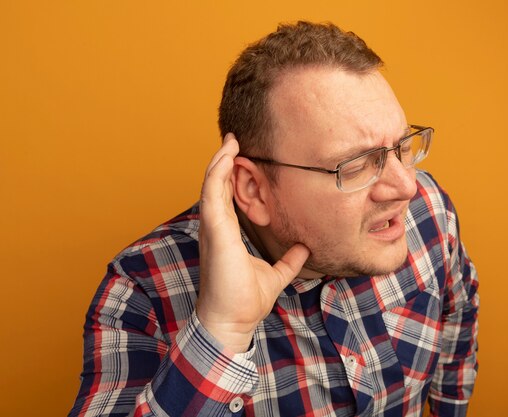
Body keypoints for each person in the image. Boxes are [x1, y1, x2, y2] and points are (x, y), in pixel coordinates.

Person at [69, 21, 479, 417]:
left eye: (402, 146)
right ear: (254, 190)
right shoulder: (141, 296)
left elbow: (457, 321)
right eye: (355, 165)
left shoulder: (428, 211)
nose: (405, 186)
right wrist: (222, 332)